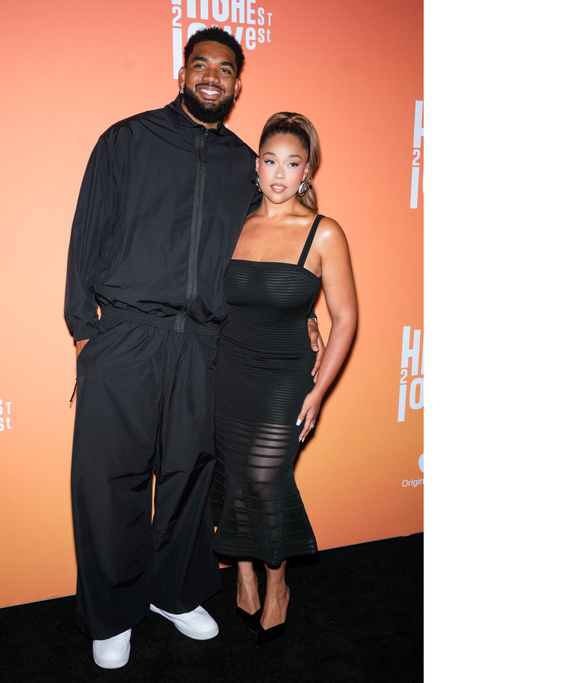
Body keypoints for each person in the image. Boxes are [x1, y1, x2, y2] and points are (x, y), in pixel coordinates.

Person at [64, 30, 322, 669]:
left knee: (190, 475)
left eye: (225, 69)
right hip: (127, 336)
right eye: (200, 64)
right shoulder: (126, 140)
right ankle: (113, 613)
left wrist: (307, 314)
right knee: (110, 481)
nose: (212, 76)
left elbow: (270, 249)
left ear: (237, 84)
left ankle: (173, 593)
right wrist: (85, 332)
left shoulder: (245, 164)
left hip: (208, 343)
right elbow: (86, 232)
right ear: (182, 73)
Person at [210, 112, 358, 646]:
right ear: (257, 165)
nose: (279, 173)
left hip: (286, 378)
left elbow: (346, 317)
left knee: (265, 478)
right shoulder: (234, 222)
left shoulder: (324, 232)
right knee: (233, 476)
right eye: (270, 160)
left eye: (292, 163)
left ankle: (278, 584)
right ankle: (245, 576)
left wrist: (318, 393)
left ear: (307, 170)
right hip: (228, 371)